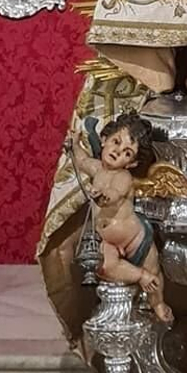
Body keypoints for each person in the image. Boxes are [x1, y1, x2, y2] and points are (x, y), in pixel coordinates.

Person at [70, 111, 172, 322]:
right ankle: (139, 276)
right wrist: (74, 143)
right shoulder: (97, 168)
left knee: (154, 269)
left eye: (127, 153)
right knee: (104, 267)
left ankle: (158, 304)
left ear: (131, 163)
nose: (117, 152)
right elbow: (81, 160)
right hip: (106, 240)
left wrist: (102, 196)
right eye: (116, 142)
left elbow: (114, 194)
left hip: (135, 238)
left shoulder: (123, 177)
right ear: (104, 139)